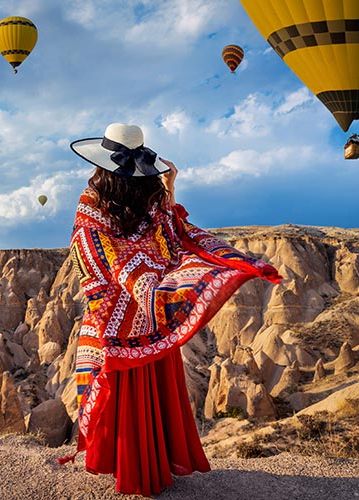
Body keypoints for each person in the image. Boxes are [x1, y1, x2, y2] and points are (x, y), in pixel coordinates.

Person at [60, 123, 282, 496]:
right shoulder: (154, 204)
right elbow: (176, 238)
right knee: (148, 395)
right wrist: (158, 293)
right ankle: (150, 466)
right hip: (152, 319)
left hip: (113, 318)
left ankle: (125, 466)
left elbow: (99, 260)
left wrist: (135, 290)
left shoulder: (91, 209)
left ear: (102, 166)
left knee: (120, 393)